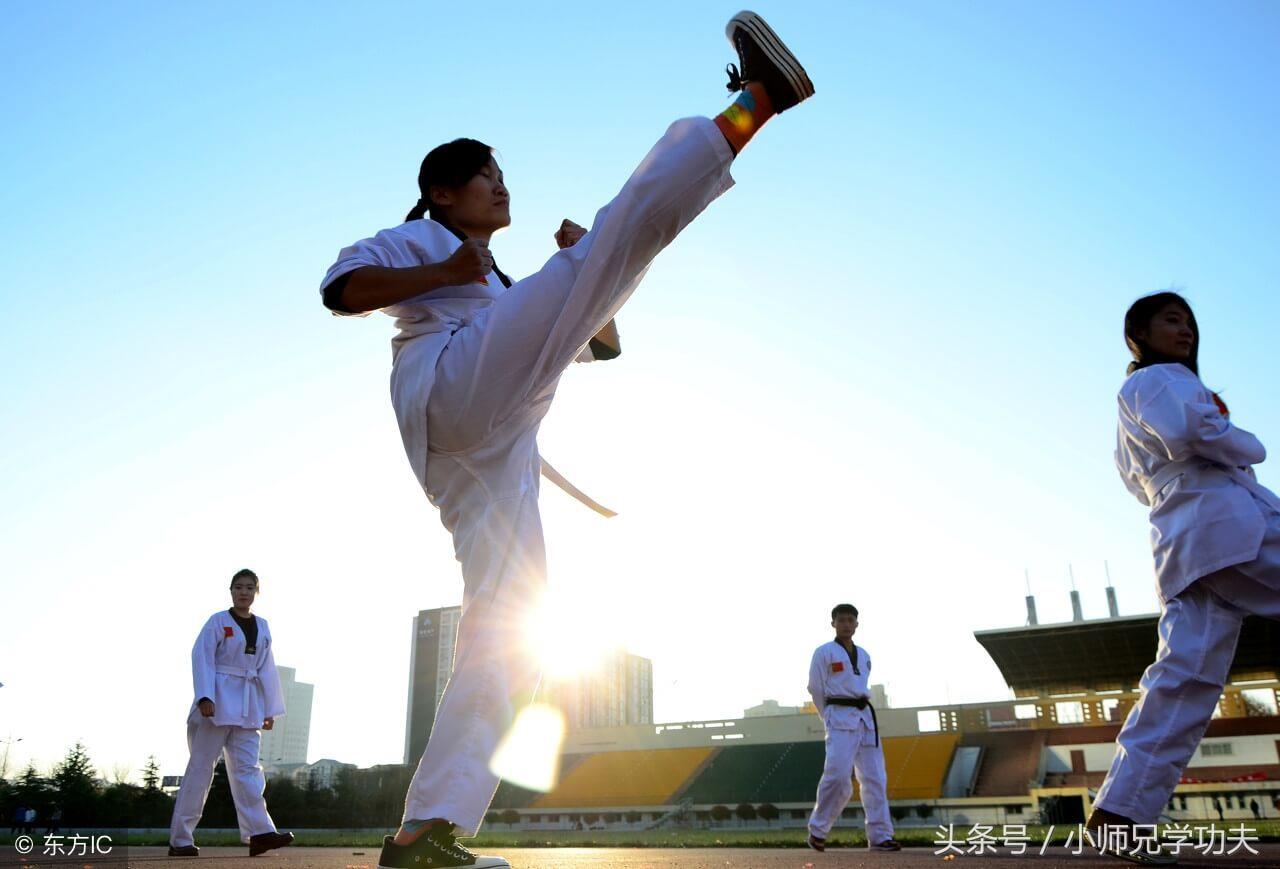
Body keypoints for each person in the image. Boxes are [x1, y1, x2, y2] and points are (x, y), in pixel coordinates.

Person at [319, 12, 814, 869]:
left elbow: (605, 348)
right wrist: (451, 273)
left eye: (504, 174)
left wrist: (592, 283)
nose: (501, 187)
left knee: (512, 628)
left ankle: (424, 831)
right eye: (486, 176)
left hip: (497, 450)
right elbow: (340, 288)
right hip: (452, 393)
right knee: (614, 240)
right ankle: (753, 105)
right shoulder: (417, 239)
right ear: (443, 191)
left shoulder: (504, 281)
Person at [1087, 291, 1280, 865]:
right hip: (1226, 519)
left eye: (1190, 322)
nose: (1185, 330)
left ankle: (1121, 811)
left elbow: (1135, 477)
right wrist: (1249, 444)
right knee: (1183, 676)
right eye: (1171, 320)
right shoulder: (1161, 379)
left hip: (1184, 538)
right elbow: (1194, 431)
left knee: (1185, 677)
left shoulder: (1133, 399)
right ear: (1138, 334)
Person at [167, 569, 294, 858]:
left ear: (256, 593)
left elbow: (267, 669)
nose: (244, 592)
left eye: (250, 587)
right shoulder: (217, 622)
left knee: (249, 770)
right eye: (239, 587)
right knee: (201, 769)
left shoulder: (262, 626)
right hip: (217, 703)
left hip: (250, 707)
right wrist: (205, 696)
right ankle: (180, 839)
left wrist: (269, 708)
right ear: (231, 591)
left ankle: (259, 833)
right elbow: (202, 658)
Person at [805, 603, 901, 853]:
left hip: (865, 719)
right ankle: (818, 830)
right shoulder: (823, 652)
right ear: (833, 623)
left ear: (857, 624)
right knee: (837, 776)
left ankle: (880, 836)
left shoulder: (865, 656)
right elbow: (815, 688)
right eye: (841, 620)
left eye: (850, 620)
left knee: (875, 778)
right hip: (838, 717)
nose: (846, 624)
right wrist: (827, 715)